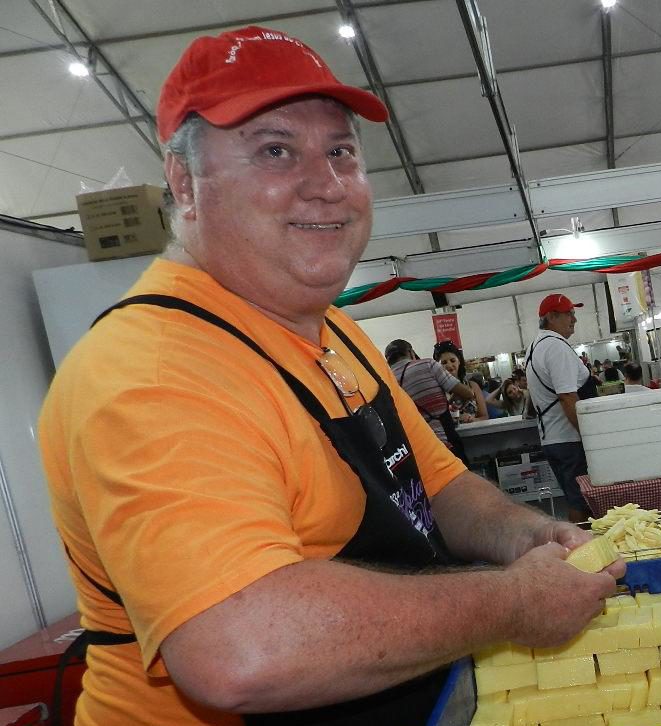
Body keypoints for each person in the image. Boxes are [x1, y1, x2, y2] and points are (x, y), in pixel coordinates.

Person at [37, 26, 623, 726]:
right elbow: (242, 650)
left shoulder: (331, 326)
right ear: (185, 184)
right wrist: (509, 604)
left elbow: (433, 484)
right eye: (276, 151)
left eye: (341, 151)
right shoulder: (152, 372)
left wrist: (527, 538)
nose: (326, 185)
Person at [526, 293, 597, 523]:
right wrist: (590, 436)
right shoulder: (555, 347)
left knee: (575, 499)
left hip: (553, 438)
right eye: (569, 313)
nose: (574, 319)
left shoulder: (535, 346)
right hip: (569, 439)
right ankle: (581, 554)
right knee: (582, 503)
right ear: (551, 317)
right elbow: (567, 397)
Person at [385, 339, 473, 454]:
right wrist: (454, 404)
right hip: (445, 441)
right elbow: (468, 393)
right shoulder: (427, 365)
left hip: (417, 448)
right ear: (411, 352)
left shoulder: (385, 381)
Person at [434, 341, 488, 423]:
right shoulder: (437, 390)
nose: (449, 365)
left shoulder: (472, 386)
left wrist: (472, 420)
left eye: (452, 360)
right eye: (444, 363)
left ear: (459, 361)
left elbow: (485, 417)